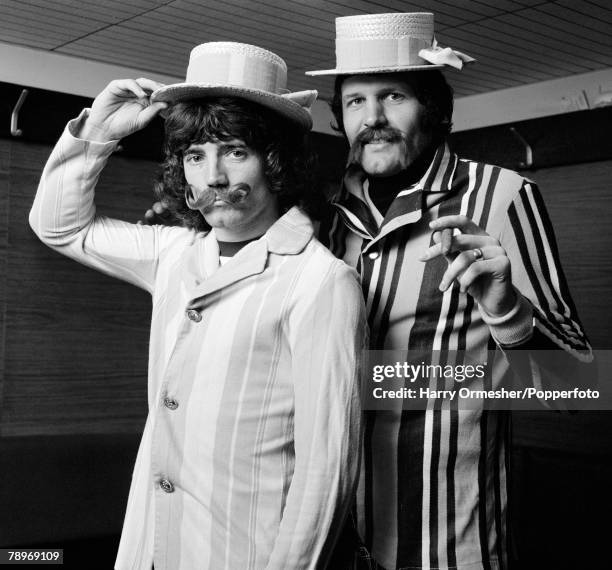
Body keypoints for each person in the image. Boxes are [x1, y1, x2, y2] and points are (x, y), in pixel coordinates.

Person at [30, 42, 366, 570]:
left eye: (235, 151)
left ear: (274, 162)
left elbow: (327, 470)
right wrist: (100, 131)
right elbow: (58, 225)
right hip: (153, 547)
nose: (214, 178)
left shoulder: (320, 281)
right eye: (195, 155)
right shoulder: (175, 251)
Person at [303, 12, 593, 570]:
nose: (374, 118)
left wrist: (506, 312)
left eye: (393, 96)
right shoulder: (319, 214)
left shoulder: (501, 196)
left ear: (432, 108)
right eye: (356, 101)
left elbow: (576, 390)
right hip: (328, 545)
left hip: (447, 549)